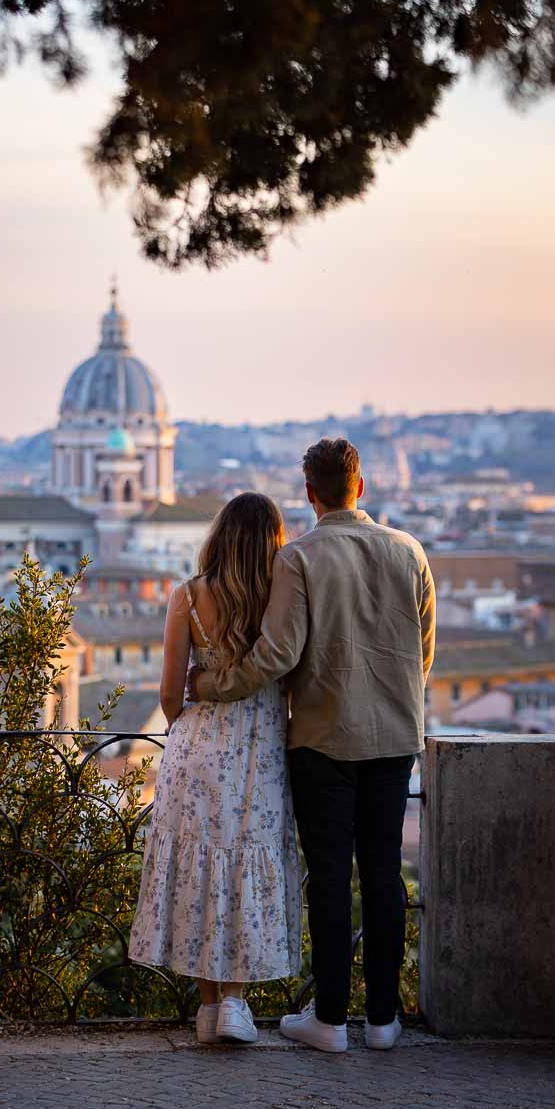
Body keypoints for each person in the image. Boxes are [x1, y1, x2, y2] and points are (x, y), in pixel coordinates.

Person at [189, 439, 436, 1053]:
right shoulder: (410, 552)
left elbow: (276, 655)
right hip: (394, 736)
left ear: (309, 493)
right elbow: (424, 651)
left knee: (329, 876)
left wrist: (212, 684)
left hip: (323, 738)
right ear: (361, 485)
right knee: (383, 873)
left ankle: (328, 1019)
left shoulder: (299, 558)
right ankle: (383, 1021)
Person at [128, 492, 303, 1045]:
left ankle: (209, 1007)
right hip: (263, 748)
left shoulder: (187, 595)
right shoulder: (284, 597)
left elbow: (170, 692)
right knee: (243, 865)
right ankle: (234, 1002)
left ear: (219, 536)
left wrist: (191, 717)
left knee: (202, 869)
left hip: (199, 747)